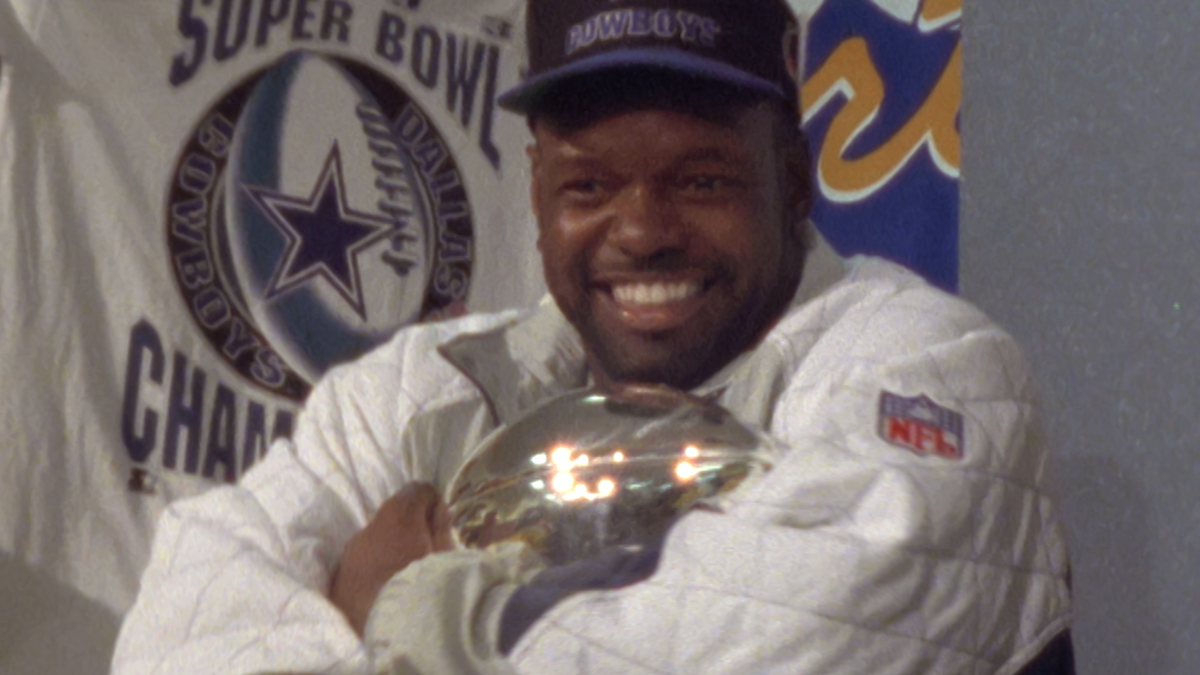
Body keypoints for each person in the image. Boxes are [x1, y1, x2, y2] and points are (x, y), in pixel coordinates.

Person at [113, 0, 1075, 673]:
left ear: (793, 175)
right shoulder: (416, 391)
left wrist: (404, 605)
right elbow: (183, 631)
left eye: (701, 180)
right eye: (589, 186)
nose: (642, 229)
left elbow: (780, 638)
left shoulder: (928, 362)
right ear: (535, 193)